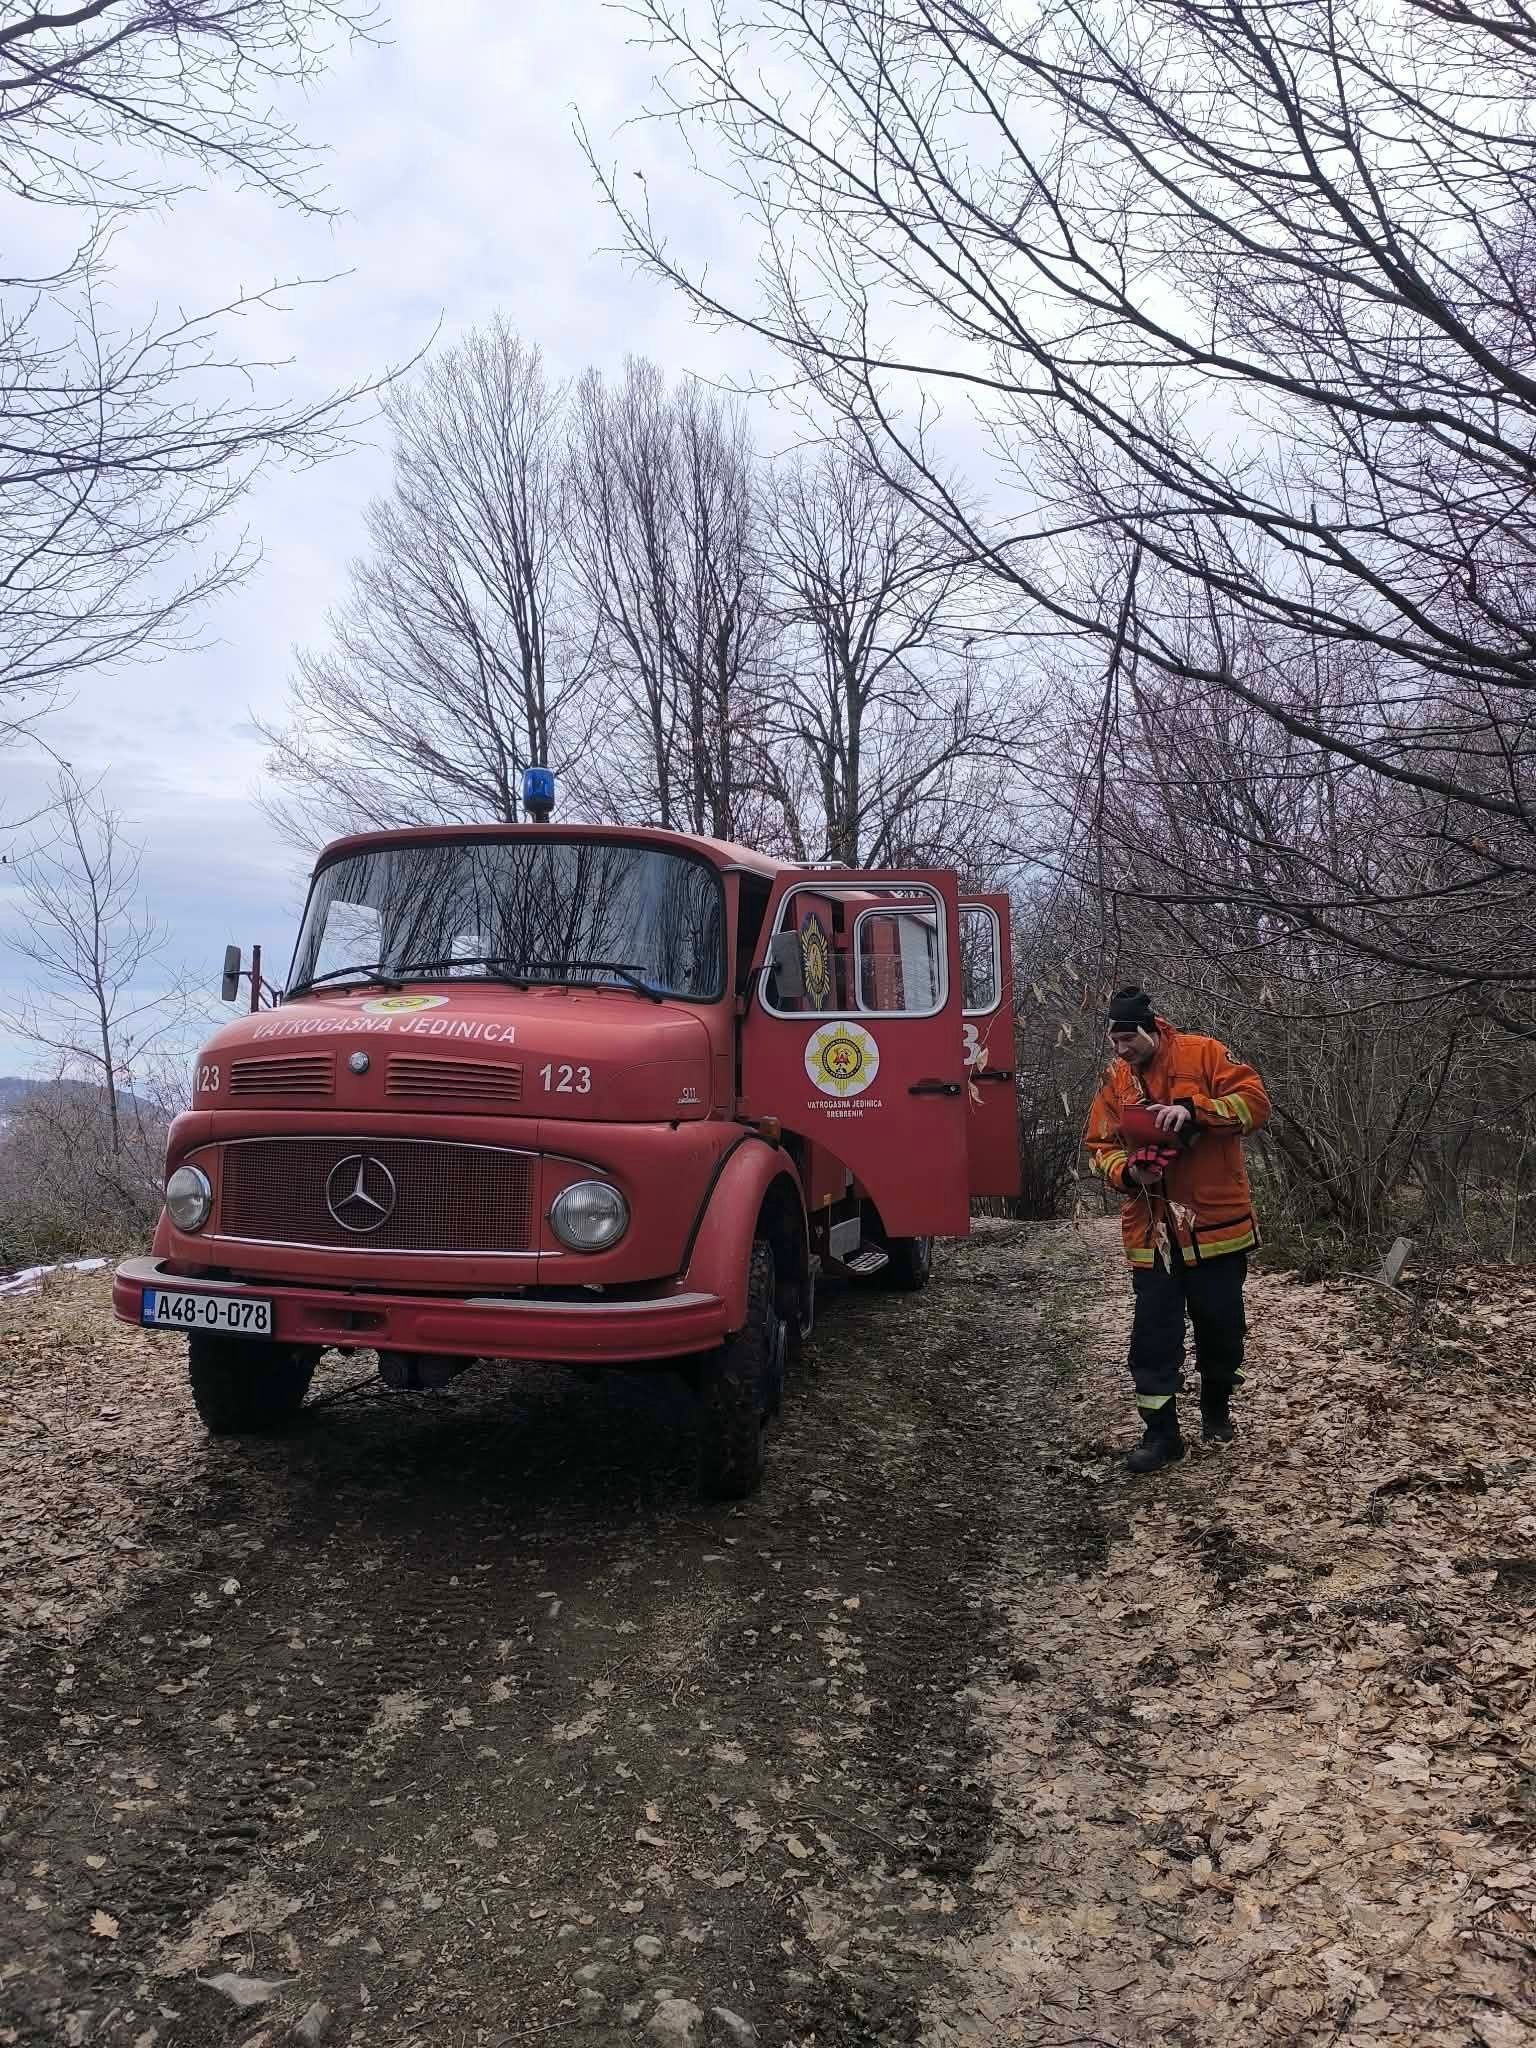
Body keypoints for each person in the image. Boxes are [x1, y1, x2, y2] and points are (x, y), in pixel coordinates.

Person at [1084, 986, 1271, 1473]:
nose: (1121, 1050)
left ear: (1151, 1029)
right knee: (1152, 1336)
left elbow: (1255, 1104)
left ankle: (1216, 1407)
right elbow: (1099, 1146)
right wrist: (1129, 1171)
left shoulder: (1205, 1053)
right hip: (1152, 1235)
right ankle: (1161, 1434)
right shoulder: (1114, 1080)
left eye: (1128, 1039)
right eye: (1114, 1041)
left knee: (1221, 1326)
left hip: (1216, 1226)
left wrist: (1195, 1110)